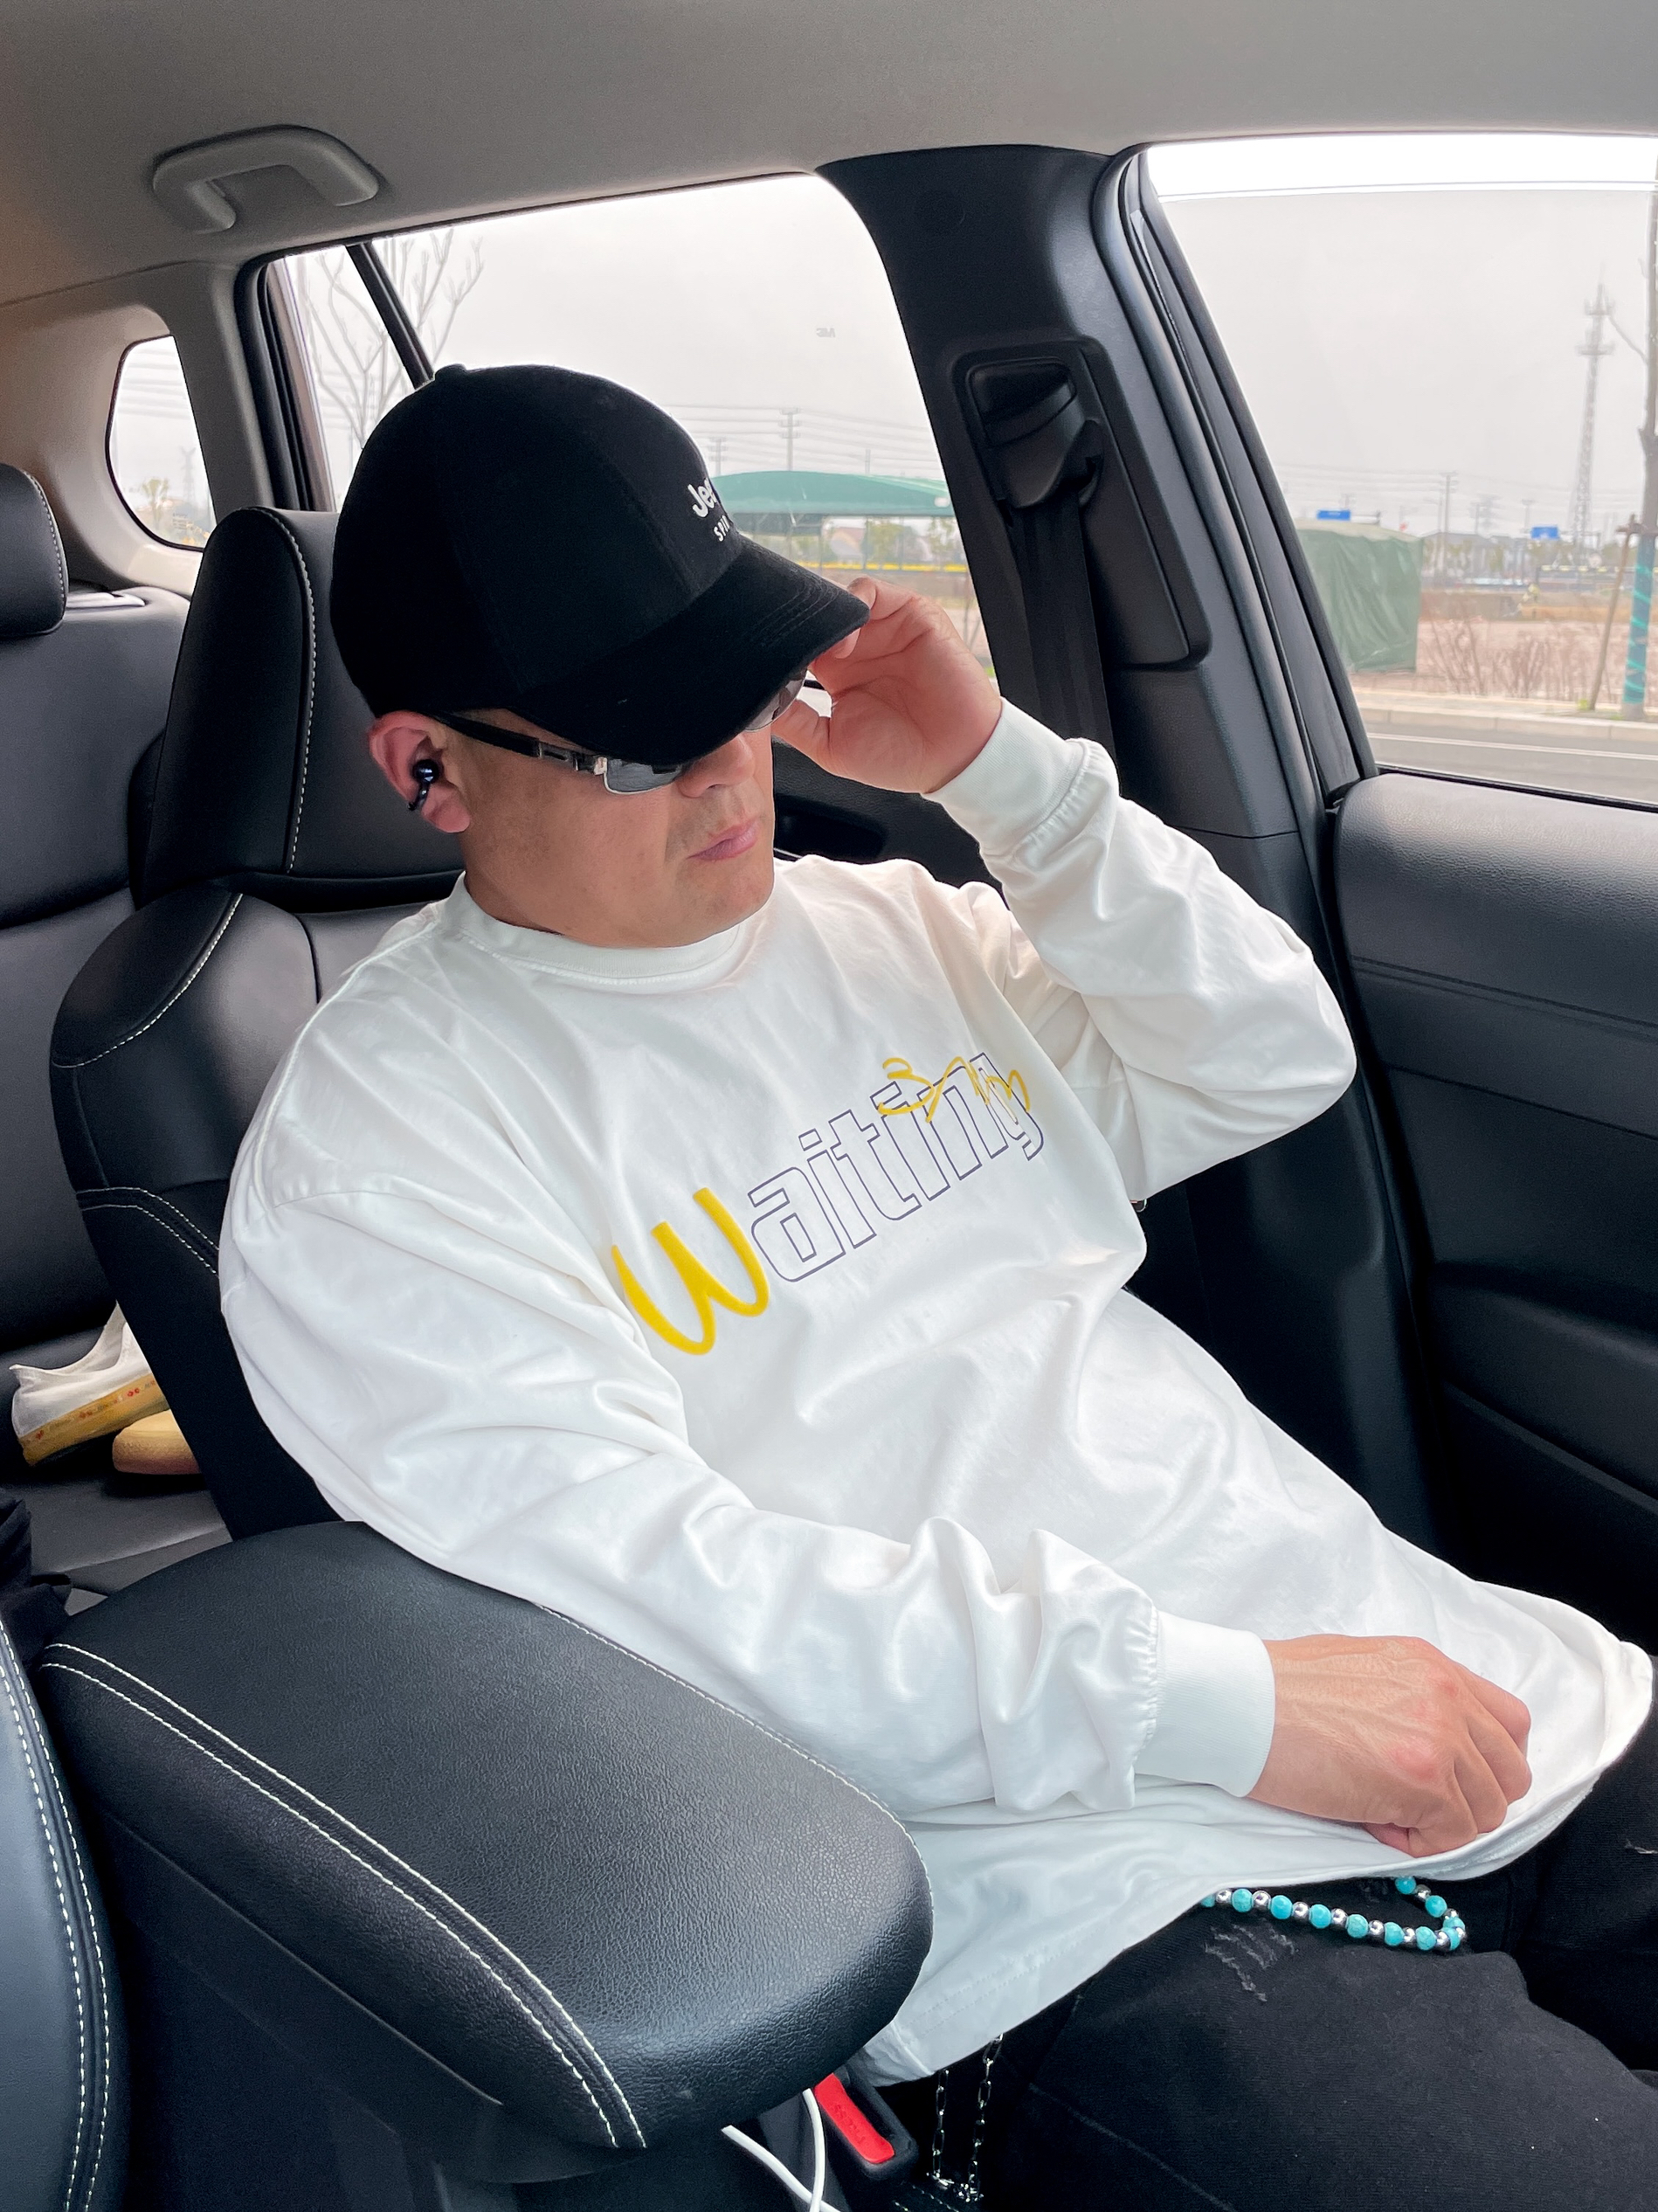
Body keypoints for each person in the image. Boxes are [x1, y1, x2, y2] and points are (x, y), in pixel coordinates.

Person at [221, 363, 1657, 2209]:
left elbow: (1267, 1057)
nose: (732, 771)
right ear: (425, 766)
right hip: (1086, 1896)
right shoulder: (381, 1154)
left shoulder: (889, 929)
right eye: (644, 744)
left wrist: (1004, 777)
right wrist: (1227, 1708)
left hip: (1446, 1689)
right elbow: (670, 1603)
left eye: (742, 695)